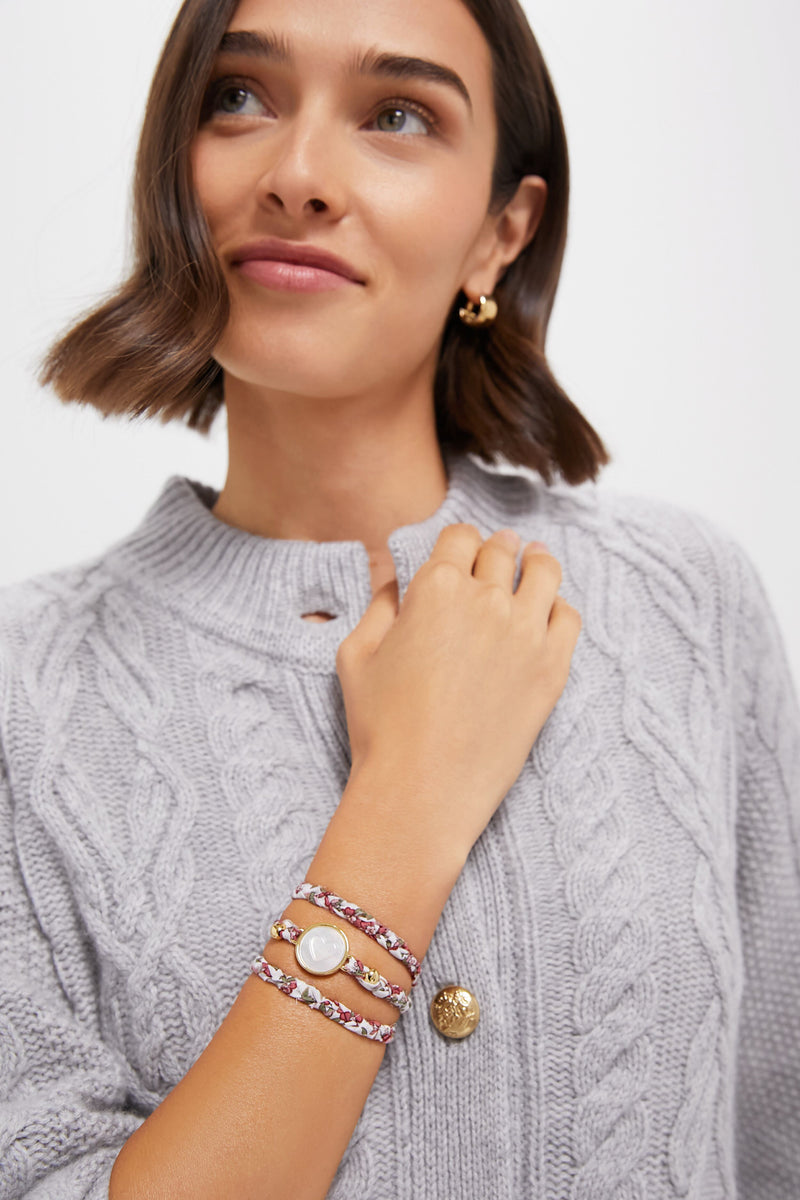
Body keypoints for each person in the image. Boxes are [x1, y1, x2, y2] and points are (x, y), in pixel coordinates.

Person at [1, 0, 797, 1196]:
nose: (299, 174)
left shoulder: (682, 604)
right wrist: (408, 800)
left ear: (499, 233)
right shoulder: (25, 695)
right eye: (238, 98)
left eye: (398, 115)